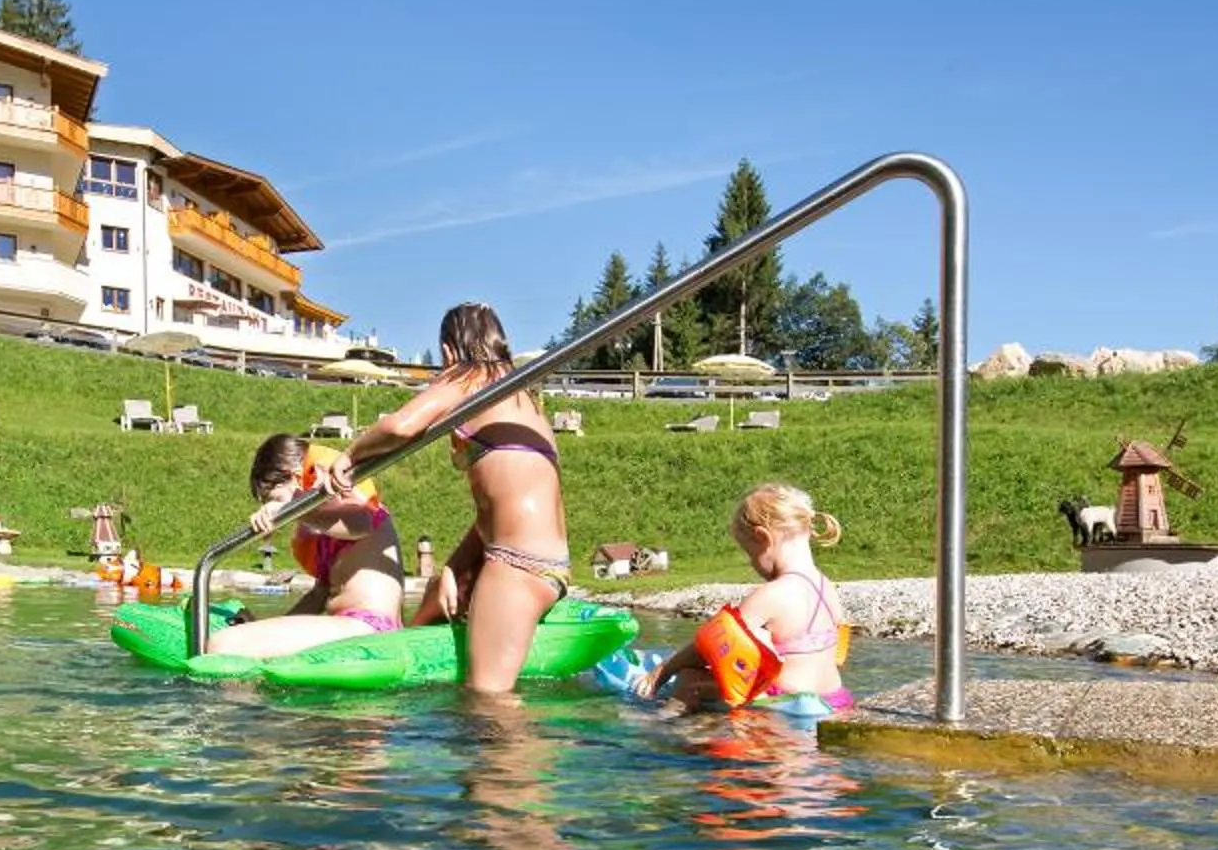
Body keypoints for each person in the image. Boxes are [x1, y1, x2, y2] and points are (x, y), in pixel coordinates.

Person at [320, 303, 568, 695]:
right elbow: (500, 503)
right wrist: (455, 567)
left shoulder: (469, 375)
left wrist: (351, 454)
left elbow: (400, 426)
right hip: (546, 563)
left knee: (488, 702)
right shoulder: (521, 396)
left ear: (451, 350)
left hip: (515, 565)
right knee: (438, 591)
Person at [614, 483, 852, 714]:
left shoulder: (773, 593)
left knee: (689, 679)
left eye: (750, 554)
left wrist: (662, 670)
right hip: (835, 698)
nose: (752, 563)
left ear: (763, 538)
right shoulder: (827, 586)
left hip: (788, 700)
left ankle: (665, 728)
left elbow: (709, 646)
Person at [205, 434, 408, 657]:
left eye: (272, 497)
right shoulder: (322, 525)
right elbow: (319, 595)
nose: (268, 506)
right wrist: (260, 629)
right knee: (238, 639)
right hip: (348, 626)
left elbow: (364, 523)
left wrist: (291, 508)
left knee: (223, 645)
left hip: (370, 626)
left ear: (295, 477)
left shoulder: (355, 505)